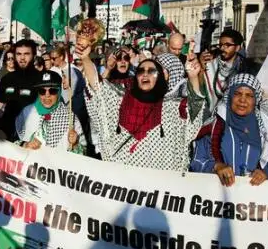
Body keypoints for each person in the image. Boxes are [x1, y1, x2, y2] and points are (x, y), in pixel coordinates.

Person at [78, 43, 205, 171]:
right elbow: (97, 88)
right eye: (140, 71)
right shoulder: (120, 100)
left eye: (151, 71)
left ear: (161, 76)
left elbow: (194, 108)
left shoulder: (174, 108)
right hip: (124, 183)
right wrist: (85, 58)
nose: (145, 75)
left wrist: (193, 77)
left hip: (159, 185)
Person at [191, 74, 268, 185]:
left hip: (253, 198)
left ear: (255, 99)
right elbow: (196, 161)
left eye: (249, 95)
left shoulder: (266, 132)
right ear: (230, 95)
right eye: (237, 94)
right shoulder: (214, 126)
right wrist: (217, 166)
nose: (242, 100)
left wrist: (266, 174)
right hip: (218, 196)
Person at [15, 70, 84, 153]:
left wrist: (75, 144)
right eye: (42, 91)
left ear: (59, 92)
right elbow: (14, 142)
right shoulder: (27, 112)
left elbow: (83, 154)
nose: (47, 95)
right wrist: (25, 145)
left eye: (52, 91)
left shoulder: (71, 118)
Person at [0, 40, 42, 140]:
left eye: (26, 54)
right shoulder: (6, 79)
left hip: (32, 136)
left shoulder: (42, 79)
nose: (22, 58)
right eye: (19, 54)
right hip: (6, 135)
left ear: (34, 55)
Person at [200, 28, 249, 112]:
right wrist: (201, 67)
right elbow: (201, 87)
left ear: (237, 48)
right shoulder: (211, 64)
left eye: (227, 45)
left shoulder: (245, 67)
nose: (222, 48)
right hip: (211, 112)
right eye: (221, 45)